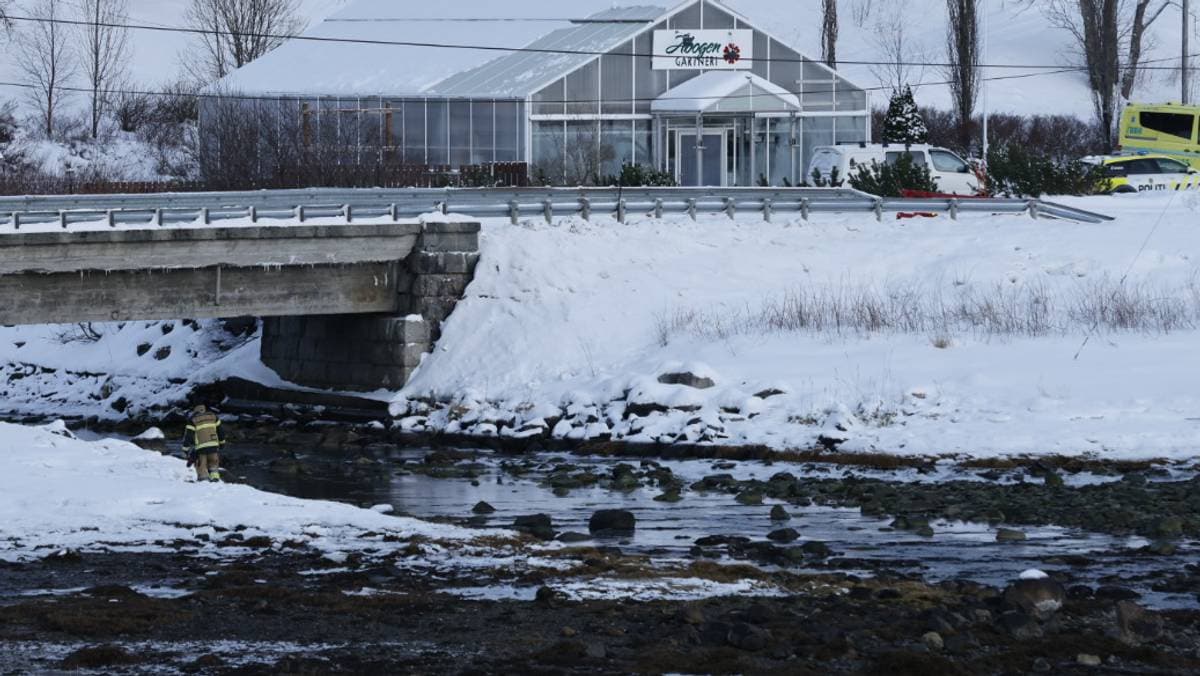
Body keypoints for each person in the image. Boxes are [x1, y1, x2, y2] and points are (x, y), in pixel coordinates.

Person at [182, 404, 226, 482]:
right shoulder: (214, 417)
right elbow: (221, 431)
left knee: (201, 464)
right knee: (213, 462)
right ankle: (215, 478)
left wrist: (185, 449)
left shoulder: (193, 419)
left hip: (201, 447)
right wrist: (222, 442)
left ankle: (203, 480)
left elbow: (188, 435)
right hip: (213, 445)